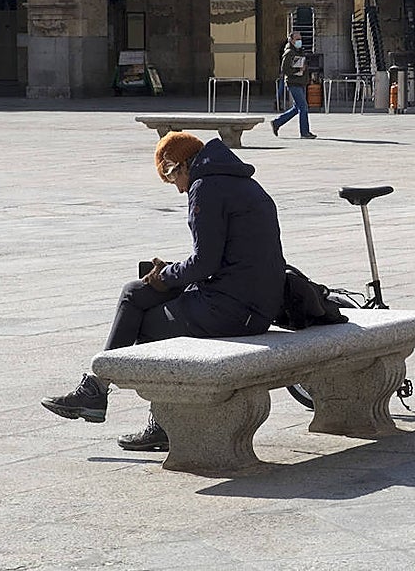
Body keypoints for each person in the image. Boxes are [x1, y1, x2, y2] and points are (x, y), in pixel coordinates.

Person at [41, 132, 286, 452]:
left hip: (236, 311)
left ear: (181, 166)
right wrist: (167, 275)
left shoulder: (205, 187)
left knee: (148, 322)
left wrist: (167, 275)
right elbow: (223, 257)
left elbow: (205, 261)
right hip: (252, 301)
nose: (179, 188)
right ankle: (96, 388)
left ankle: (160, 423)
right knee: (134, 293)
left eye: (173, 179)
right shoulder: (234, 179)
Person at [271, 30, 316, 139]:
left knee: (297, 108)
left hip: (301, 82)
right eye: (297, 39)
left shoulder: (299, 51)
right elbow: (284, 69)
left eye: (300, 39)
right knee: (303, 107)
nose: (299, 41)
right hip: (293, 82)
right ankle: (304, 132)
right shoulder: (289, 52)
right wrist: (297, 70)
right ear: (291, 40)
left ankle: (277, 122)